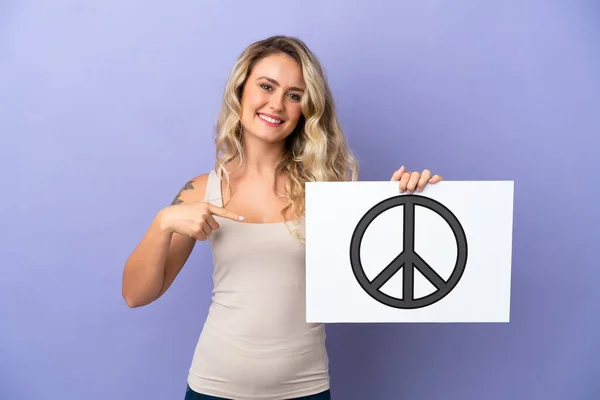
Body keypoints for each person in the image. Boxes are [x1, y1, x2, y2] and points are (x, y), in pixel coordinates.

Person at [121, 35, 443, 400]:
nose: (277, 104)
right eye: (266, 86)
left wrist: (410, 202)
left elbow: (385, 276)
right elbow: (136, 295)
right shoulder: (200, 191)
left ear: (307, 109)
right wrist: (163, 222)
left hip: (305, 390)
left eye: (294, 95)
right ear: (240, 90)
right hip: (213, 387)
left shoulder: (329, 190)